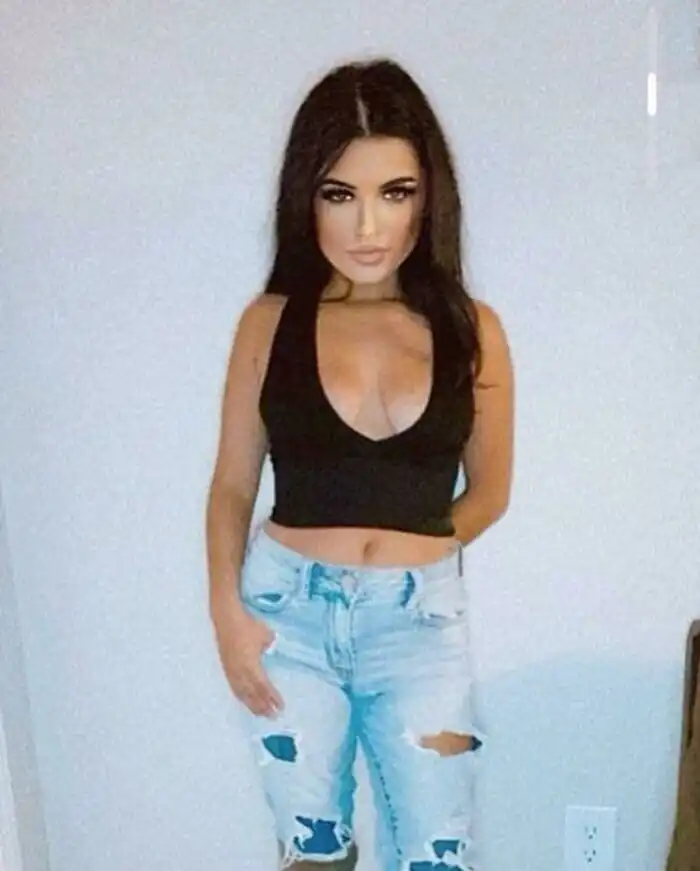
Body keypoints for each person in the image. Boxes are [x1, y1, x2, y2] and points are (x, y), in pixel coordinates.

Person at [206, 57, 514, 871]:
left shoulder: (472, 329)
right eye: (339, 194)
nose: (368, 225)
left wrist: (413, 566)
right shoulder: (268, 324)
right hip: (288, 618)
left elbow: (491, 491)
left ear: (428, 197)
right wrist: (226, 612)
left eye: (395, 192)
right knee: (315, 854)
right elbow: (233, 483)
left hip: (418, 628)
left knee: (437, 854)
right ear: (305, 199)